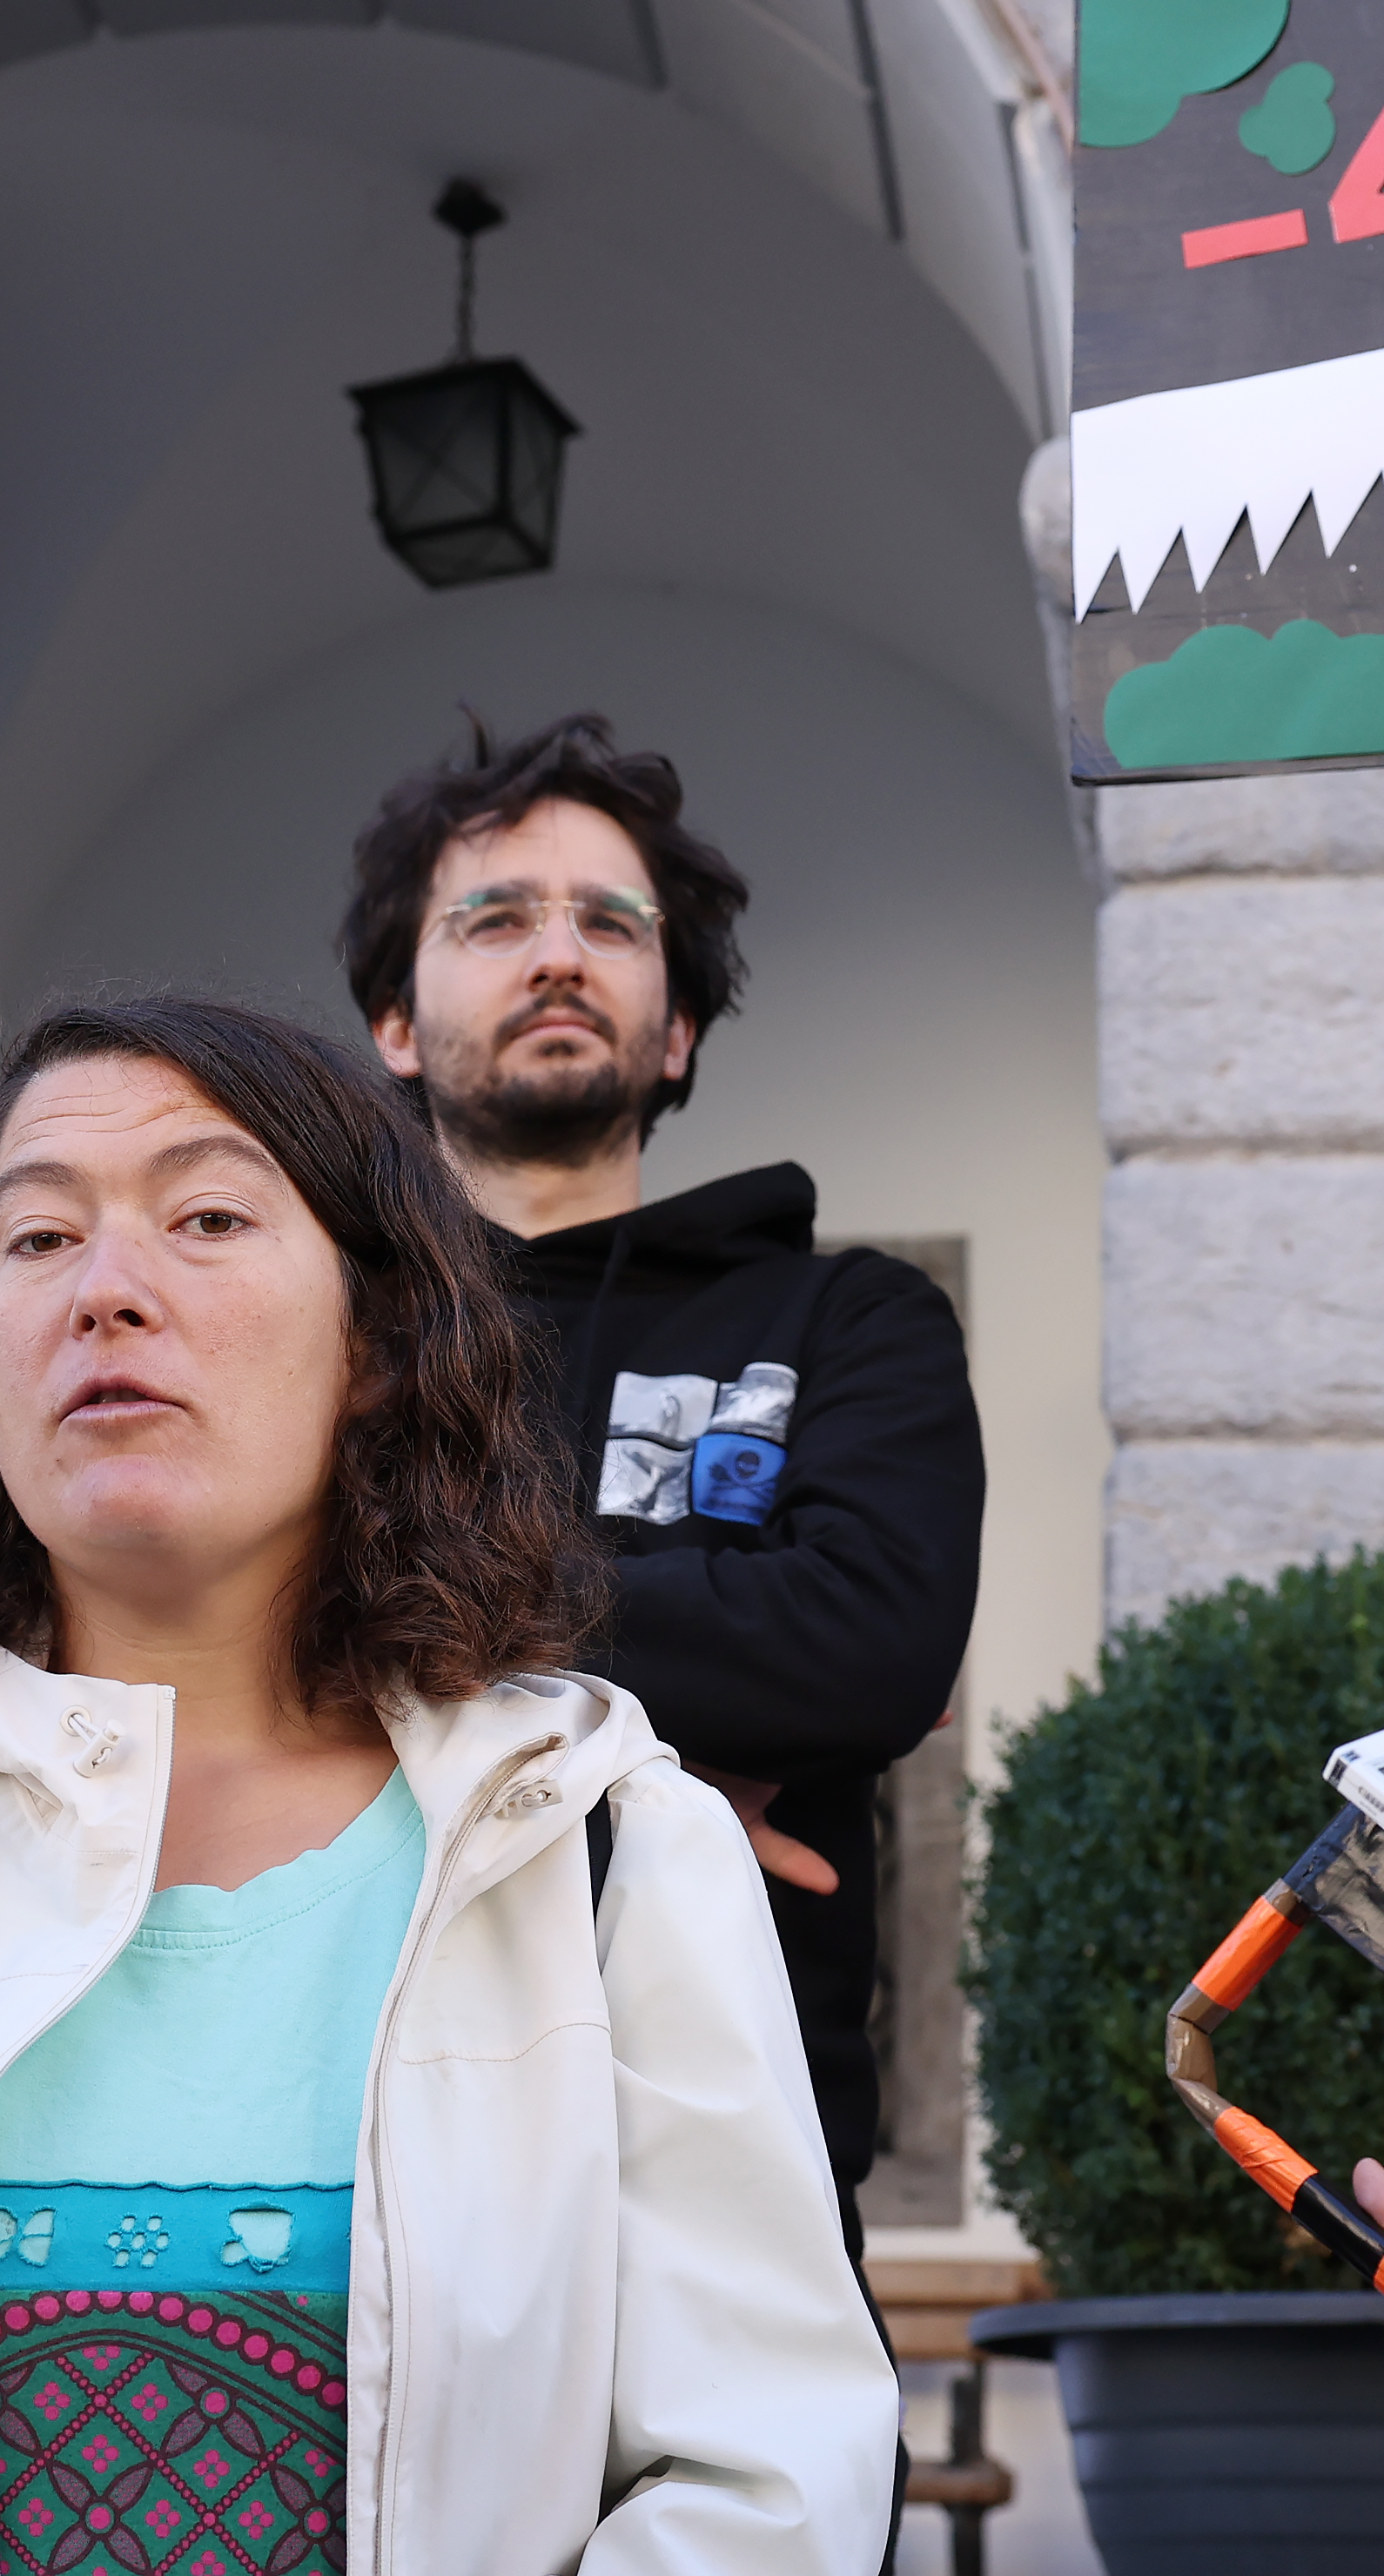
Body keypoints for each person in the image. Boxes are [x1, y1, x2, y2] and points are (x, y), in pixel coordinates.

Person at [0, 996, 895, 2570]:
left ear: (378, 1341)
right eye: (40, 1238)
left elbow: (765, 2485)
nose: (109, 1290)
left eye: (205, 1215)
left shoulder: (597, 1837)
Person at [337, 711, 981, 2239]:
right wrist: (638, 1793)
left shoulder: (849, 1317)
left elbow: (863, 1645)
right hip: (363, 2130)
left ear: (676, 1026)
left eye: (610, 923)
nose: (556, 951)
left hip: (731, 2148)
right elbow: (192, 1650)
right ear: (395, 1024)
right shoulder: (314, 1341)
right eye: (493, 917)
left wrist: (385, 1628)